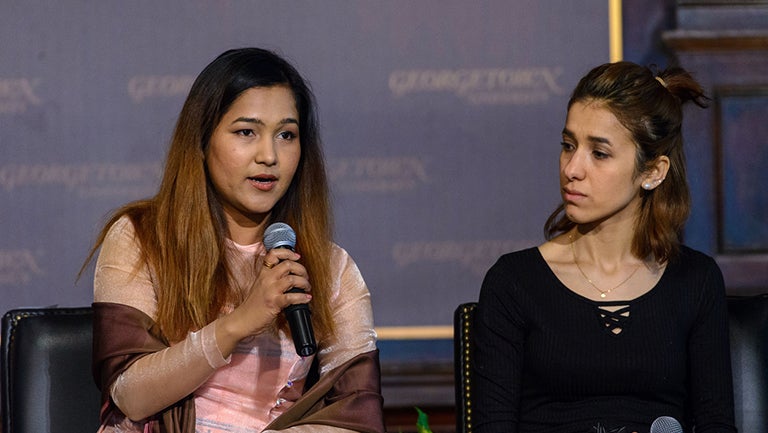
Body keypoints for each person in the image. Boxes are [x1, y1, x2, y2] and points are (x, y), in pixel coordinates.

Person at [82, 48, 384, 433]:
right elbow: (130, 395)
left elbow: (358, 417)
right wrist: (240, 321)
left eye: (286, 135)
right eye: (246, 132)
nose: (269, 156)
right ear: (203, 140)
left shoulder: (332, 268)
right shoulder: (141, 237)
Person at [472, 61, 737, 433]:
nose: (572, 168)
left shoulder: (696, 280)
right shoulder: (514, 282)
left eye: (599, 153)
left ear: (653, 172)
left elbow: (715, 424)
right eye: (568, 146)